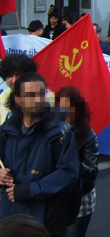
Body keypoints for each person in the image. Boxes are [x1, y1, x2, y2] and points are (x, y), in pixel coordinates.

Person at [0, 73, 79, 237]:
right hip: (10, 215)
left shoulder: (60, 133)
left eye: (41, 93)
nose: (38, 99)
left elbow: (69, 173)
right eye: (30, 95)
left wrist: (29, 190)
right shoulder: (7, 129)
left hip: (44, 219)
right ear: (18, 100)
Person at [57, 86, 99, 237]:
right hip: (55, 196)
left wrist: (70, 152)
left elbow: (91, 173)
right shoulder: (50, 132)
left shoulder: (87, 135)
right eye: (61, 108)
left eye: (69, 108)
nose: (65, 113)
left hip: (79, 197)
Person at [0, 54, 40, 124]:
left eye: (18, 75)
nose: (14, 80)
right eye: (10, 76)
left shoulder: (43, 95)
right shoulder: (2, 96)